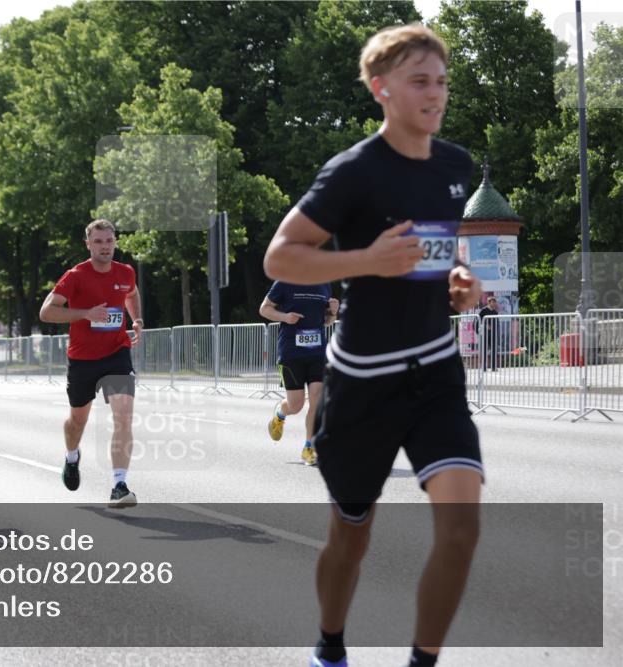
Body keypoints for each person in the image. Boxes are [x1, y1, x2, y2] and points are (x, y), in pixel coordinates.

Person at [263, 24, 483, 667]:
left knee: (462, 527)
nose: (435, 94)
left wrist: (456, 279)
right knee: (350, 537)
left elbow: (435, 253)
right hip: (363, 380)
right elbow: (282, 254)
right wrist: (366, 260)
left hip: (436, 372)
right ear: (381, 88)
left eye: (441, 81)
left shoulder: (453, 165)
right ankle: (330, 645)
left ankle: (422, 661)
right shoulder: (353, 173)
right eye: (420, 81)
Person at [39, 219, 143, 509]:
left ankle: (119, 485)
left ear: (115, 242)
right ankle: (72, 456)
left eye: (109, 241)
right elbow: (47, 312)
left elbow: (131, 294)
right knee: (78, 421)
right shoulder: (76, 276)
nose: (105, 247)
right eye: (98, 242)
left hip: (117, 354)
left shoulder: (125, 272)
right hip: (83, 358)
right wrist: (86, 313)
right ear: (88, 244)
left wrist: (135, 320)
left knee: (123, 416)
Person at [260, 282, 339, 465]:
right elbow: (264, 309)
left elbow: (326, 322)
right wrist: (285, 317)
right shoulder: (285, 282)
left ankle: (309, 448)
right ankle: (280, 413)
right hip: (291, 353)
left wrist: (333, 312)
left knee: (317, 399)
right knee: (295, 405)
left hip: (317, 353)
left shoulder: (324, 285)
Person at [477, 295, 499, 371]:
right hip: (485, 334)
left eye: (495, 302)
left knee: (494, 349)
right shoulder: (483, 311)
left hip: (493, 334)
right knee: (484, 350)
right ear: (489, 302)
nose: (494, 303)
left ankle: (493, 367)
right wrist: (485, 326)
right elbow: (477, 320)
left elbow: (497, 323)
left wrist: (497, 332)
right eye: (493, 302)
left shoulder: (495, 312)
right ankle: (484, 367)